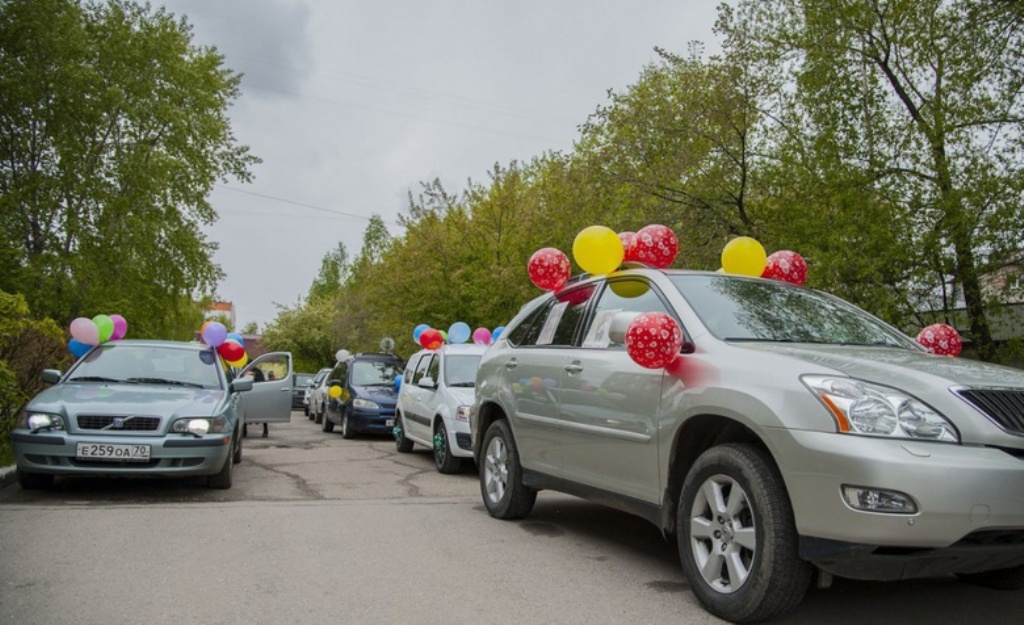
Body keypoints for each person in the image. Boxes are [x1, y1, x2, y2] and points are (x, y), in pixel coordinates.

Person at [242, 368, 270, 438]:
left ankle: (245, 431)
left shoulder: (250, 371)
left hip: (253, 394)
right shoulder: (256, 371)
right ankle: (265, 431)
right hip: (254, 395)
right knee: (261, 413)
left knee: (246, 412)